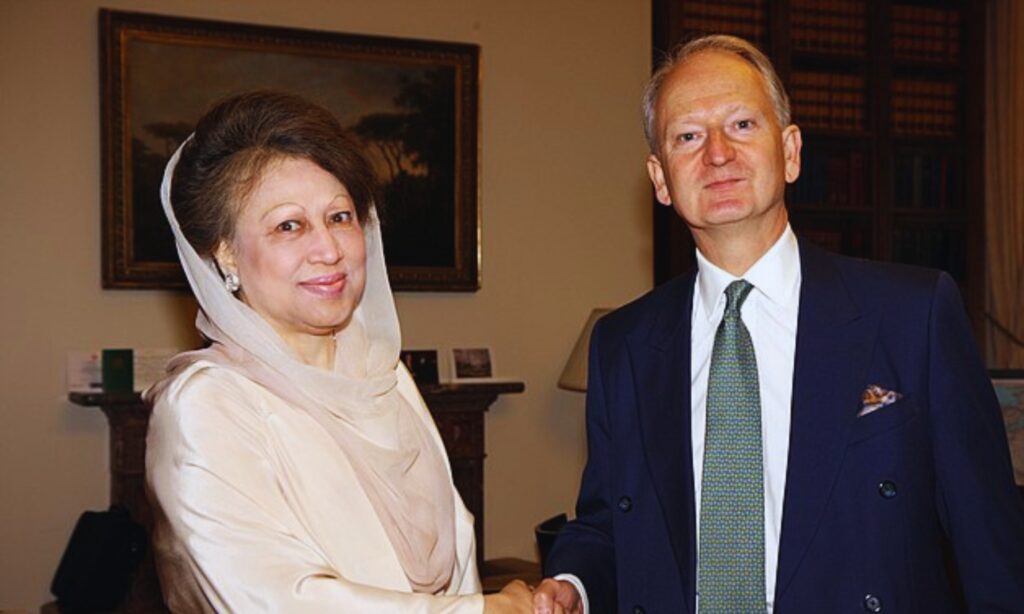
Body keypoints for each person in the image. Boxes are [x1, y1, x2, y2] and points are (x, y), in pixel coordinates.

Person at [534, 35, 1024, 614]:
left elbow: (992, 549)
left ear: (790, 152)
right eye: (688, 136)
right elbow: (607, 523)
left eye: (742, 125)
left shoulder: (913, 315)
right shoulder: (624, 346)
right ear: (660, 178)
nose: (717, 153)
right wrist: (574, 583)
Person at [144, 91, 532, 613]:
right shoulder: (205, 406)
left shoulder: (385, 377)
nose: (329, 250)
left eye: (341, 217)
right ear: (226, 252)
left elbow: (455, 572)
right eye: (289, 225)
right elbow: (273, 600)